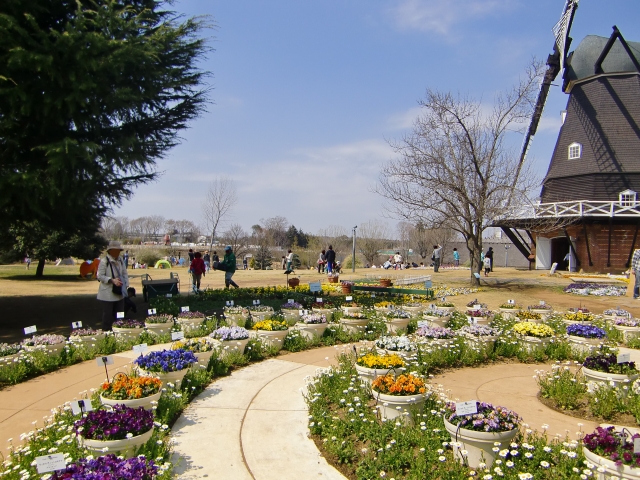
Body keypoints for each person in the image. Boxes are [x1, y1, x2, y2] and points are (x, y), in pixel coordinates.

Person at [96, 240, 129, 331]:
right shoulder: (104, 261)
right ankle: (107, 333)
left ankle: (120, 332)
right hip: (107, 294)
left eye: (118, 250)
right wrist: (111, 280)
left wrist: (125, 285)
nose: (117, 252)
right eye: (115, 250)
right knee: (108, 315)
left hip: (119, 292)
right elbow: (99, 276)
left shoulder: (121, 260)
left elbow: (124, 273)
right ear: (110, 251)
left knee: (120, 315)